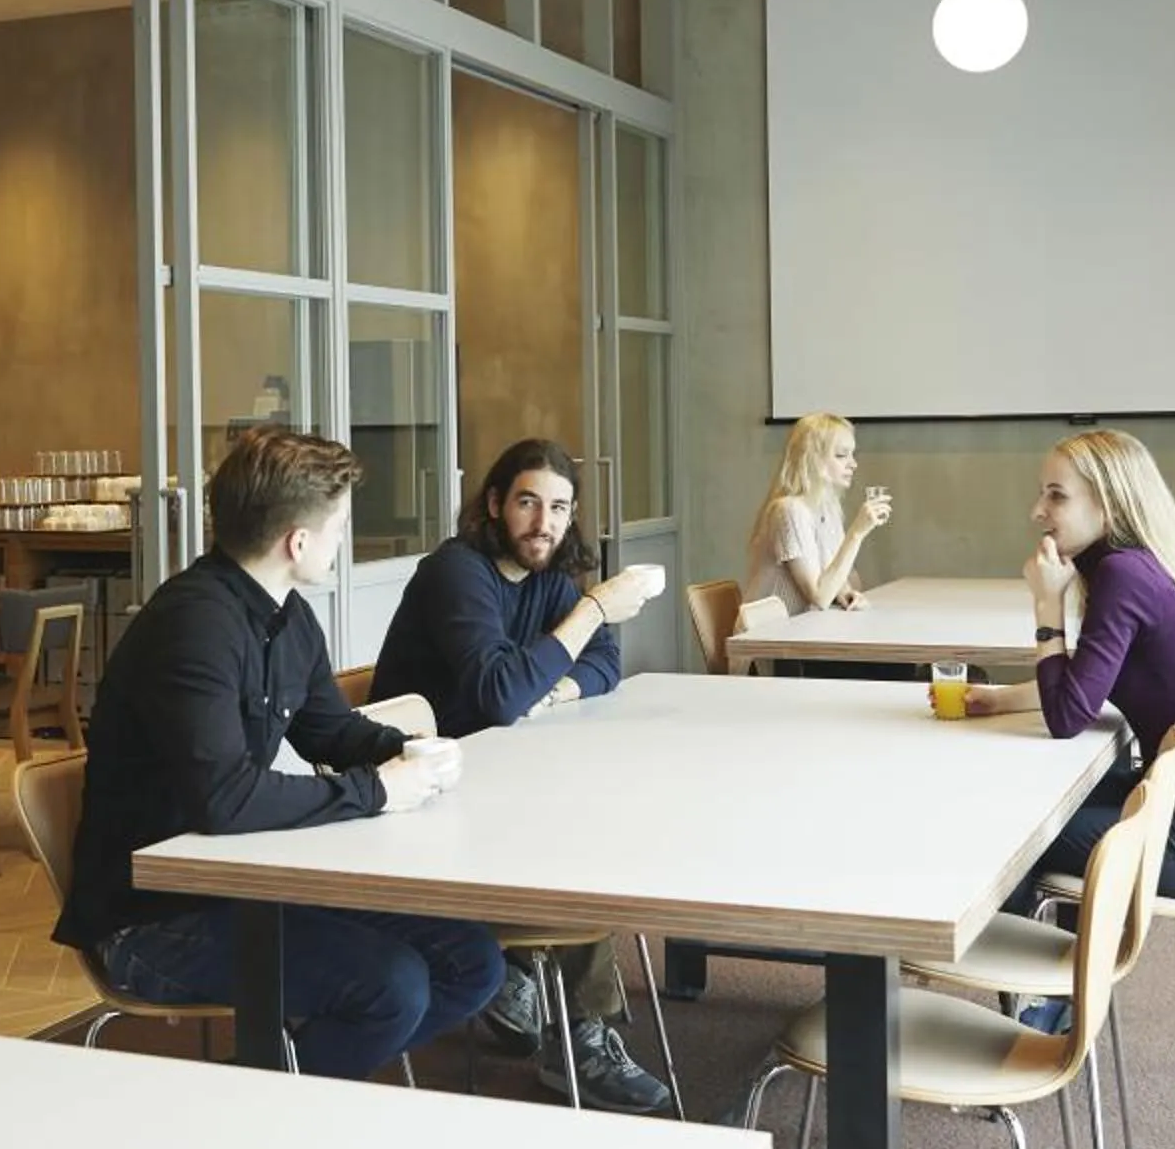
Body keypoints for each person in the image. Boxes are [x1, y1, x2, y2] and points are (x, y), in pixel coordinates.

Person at [53, 427, 502, 1081]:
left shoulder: (286, 615)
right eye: (340, 527)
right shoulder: (194, 625)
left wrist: (408, 749)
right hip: (150, 918)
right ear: (298, 541)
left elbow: (329, 732)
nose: (343, 541)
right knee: (393, 987)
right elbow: (226, 798)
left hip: (249, 882)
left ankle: (275, 1078)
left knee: (472, 962)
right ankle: (268, 1102)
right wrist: (378, 791)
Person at [370, 437, 673, 1113]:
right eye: (529, 503)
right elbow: (498, 697)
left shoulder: (549, 579)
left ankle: (516, 973)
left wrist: (554, 692)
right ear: (495, 504)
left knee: (589, 811)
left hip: (492, 775)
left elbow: (602, 666)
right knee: (582, 842)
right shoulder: (459, 572)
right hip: (423, 789)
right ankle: (579, 1040)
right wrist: (592, 608)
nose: (544, 524)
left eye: (559, 508)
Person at [954, 431, 1175, 923]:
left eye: (1056, 496)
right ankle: (1060, 983)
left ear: (1107, 506)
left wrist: (1047, 606)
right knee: (1033, 803)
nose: (1037, 512)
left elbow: (1068, 716)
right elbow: (1090, 681)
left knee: (1011, 835)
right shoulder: (1142, 566)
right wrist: (997, 701)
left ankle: (1045, 997)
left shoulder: (1123, 575)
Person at [742, 412, 893, 617]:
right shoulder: (789, 510)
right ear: (813, 460)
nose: (853, 464)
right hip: (762, 639)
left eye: (852, 454)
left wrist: (849, 594)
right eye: (841, 455)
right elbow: (820, 597)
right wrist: (856, 533)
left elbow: (837, 583)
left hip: (799, 631)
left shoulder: (828, 509)